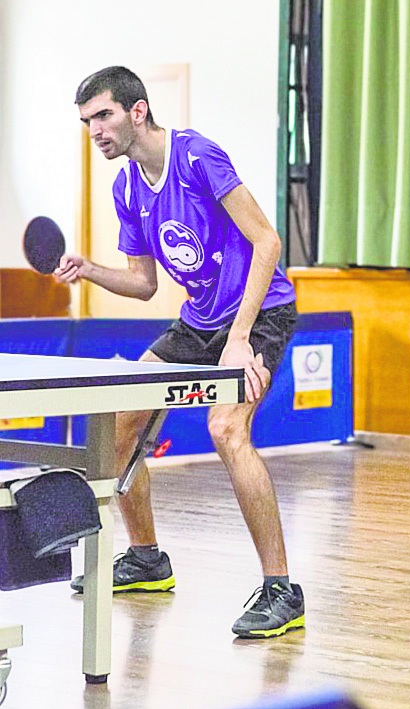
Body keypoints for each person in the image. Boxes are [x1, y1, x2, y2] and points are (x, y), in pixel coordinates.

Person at [55, 66, 304, 639]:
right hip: (197, 320)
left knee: (227, 430)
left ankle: (282, 590)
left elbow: (267, 241)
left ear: (137, 111)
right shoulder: (126, 188)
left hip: (259, 312)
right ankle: (146, 559)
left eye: (103, 116)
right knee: (120, 422)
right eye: (87, 121)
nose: (94, 130)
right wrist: (90, 270)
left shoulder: (197, 157)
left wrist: (240, 340)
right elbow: (144, 284)